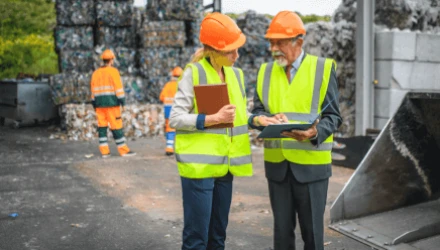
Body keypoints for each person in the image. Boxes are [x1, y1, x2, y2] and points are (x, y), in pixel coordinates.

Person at [248, 11, 342, 250]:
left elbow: (333, 116)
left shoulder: (322, 69)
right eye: (271, 42)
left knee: (312, 235)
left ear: (298, 41)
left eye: (279, 42)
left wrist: (314, 133)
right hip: (278, 168)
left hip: (312, 168)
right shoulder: (265, 72)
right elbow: (257, 111)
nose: (273, 48)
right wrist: (264, 119)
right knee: (281, 235)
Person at [169, 12, 252, 250]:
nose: (237, 55)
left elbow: (240, 116)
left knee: (218, 237)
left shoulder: (236, 75)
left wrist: (261, 119)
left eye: (238, 49)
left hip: (225, 167)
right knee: (197, 239)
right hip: (199, 169)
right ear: (213, 50)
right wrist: (211, 119)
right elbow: (175, 118)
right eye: (230, 51)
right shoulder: (193, 74)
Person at [90, 49, 136, 158]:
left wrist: (94, 104)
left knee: (102, 128)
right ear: (111, 60)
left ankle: (105, 152)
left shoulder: (95, 73)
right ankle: (123, 150)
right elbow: (118, 89)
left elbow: (92, 91)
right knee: (116, 126)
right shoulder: (113, 72)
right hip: (112, 104)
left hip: (99, 105)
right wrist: (123, 103)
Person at [159, 66, 183, 156]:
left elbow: (161, 97)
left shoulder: (168, 85)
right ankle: (180, 149)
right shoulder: (181, 85)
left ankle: (169, 148)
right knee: (181, 129)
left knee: (170, 129)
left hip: (168, 110)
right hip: (179, 110)